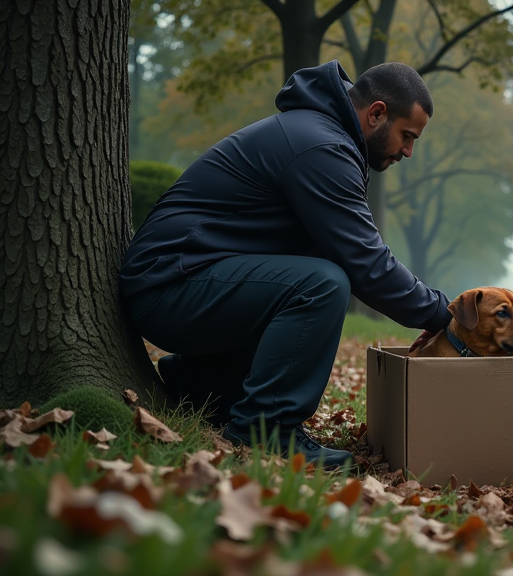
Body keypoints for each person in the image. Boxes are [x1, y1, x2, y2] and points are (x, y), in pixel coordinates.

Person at [120, 60, 450, 468]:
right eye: (407, 136)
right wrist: (444, 314)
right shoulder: (321, 147)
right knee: (322, 284)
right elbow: (366, 261)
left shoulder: (319, 134)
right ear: (377, 113)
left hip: (179, 279)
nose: (408, 151)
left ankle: (203, 387)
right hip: (169, 285)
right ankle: (266, 429)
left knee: (310, 270)